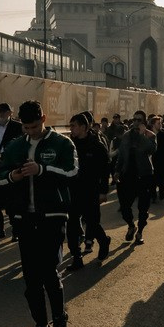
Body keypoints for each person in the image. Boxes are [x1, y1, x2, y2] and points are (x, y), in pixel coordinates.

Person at [0, 100, 78, 327]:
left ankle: (59, 317)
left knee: (48, 271)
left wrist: (42, 169)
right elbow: (0, 176)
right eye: (26, 128)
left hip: (52, 216)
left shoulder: (62, 143)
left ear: (43, 118)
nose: (31, 132)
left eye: (34, 127)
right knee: (31, 278)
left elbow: (72, 172)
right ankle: (41, 325)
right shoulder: (16, 146)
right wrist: (13, 175)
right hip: (24, 218)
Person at [67, 112, 112, 269]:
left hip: (91, 191)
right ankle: (77, 258)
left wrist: (103, 191)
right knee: (72, 225)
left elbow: (105, 170)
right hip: (73, 191)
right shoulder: (69, 145)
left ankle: (103, 240)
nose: (71, 129)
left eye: (73, 126)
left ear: (84, 127)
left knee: (92, 222)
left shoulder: (96, 145)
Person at [114, 110, 157, 244]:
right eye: (135, 120)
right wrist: (117, 170)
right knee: (124, 205)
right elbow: (122, 155)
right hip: (127, 175)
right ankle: (131, 225)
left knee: (143, 207)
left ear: (144, 122)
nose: (136, 122)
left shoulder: (150, 135)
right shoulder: (127, 135)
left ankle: (140, 232)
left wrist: (142, 134)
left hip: (144, 175)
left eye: (139, 120)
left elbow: (150, 150)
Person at [0, 102, 23, 244]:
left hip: (10, 168)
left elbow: (20, 146)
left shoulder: (17, 127)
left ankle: (16, 230)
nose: (0, 114)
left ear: (9, 113)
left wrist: (7, 157)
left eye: (3, 112)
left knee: (12, 202)